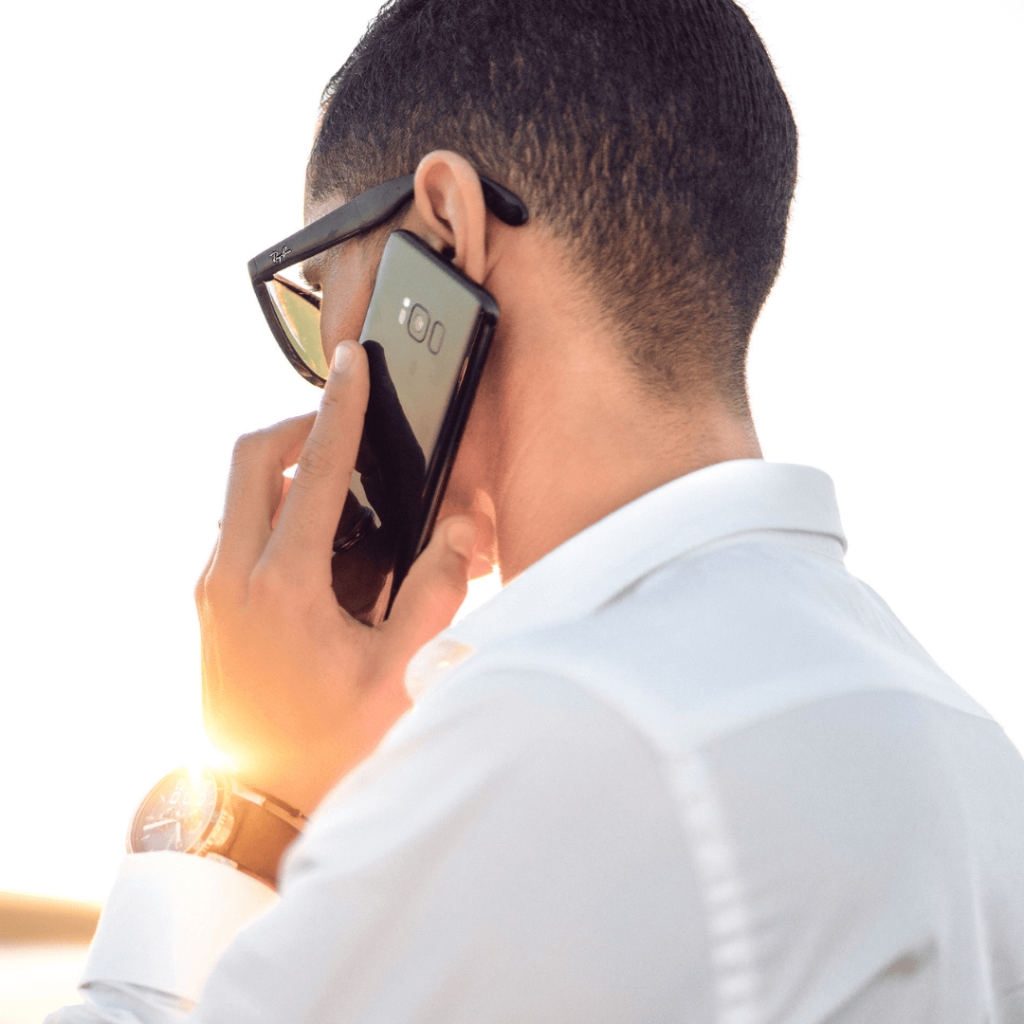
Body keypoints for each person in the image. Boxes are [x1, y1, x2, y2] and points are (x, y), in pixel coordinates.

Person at [49, 0, 1024, 1021]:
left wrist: (251, 807)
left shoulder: (549, 741)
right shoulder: (970, 748)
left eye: (320, 297)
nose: (318, 368)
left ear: (445, 231)